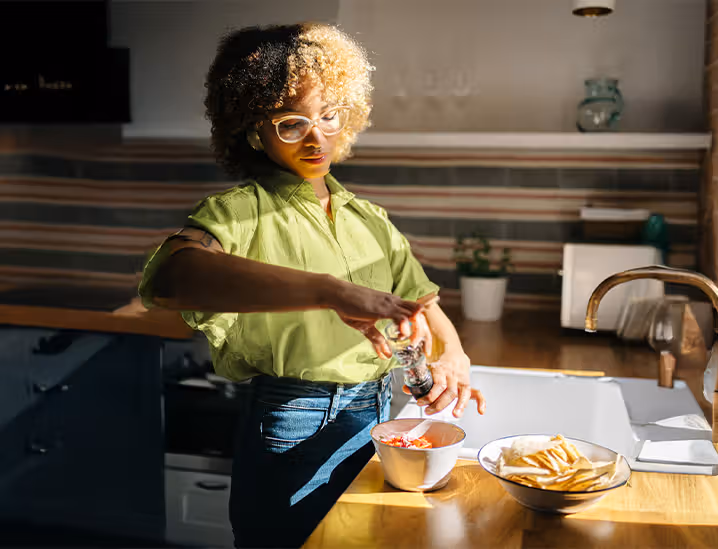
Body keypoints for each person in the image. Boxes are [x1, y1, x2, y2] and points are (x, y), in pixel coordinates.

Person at [139, 22, 486, 548]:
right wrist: (330, 290)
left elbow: (425, 307)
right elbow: (170, 278)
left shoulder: (369, 218)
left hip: (378, 414)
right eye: (291, 123)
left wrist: (454, 354)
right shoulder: (237, 214)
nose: (316, 136)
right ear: (254, 131)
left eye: (328, 116)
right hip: (292, 420)